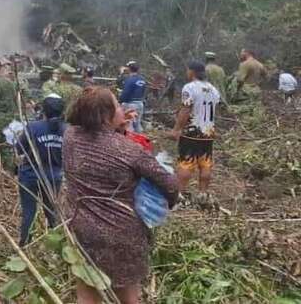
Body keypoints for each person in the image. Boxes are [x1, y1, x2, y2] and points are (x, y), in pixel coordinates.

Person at [63, 87, 179, 304]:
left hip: (81, 229)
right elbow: (170, 184)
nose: (121, 109)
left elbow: (99, 146)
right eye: (117, 105)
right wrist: (167, 204)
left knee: (87, 295)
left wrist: (118, 129)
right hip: (123, 234)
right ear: (106, 115)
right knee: (127, 297)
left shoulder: (70, 137)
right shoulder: (130, 150)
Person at [15, 94, 65, 246]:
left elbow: (19, 148)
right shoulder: (67, 130)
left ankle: (25, 244)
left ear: (43, 110)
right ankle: (58, 244)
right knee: (51, 210)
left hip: (30, 176)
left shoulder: (33, 127)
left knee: (29, 211)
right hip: (53, 177)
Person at [168, 61, 221, 201]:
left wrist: (176, 129)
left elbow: (186, 109)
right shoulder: (213, 89)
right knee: (206, 162)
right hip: (208, 132)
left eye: (188, 70)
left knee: (186, 162)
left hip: (192, 131)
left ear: (192, 72)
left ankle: (179, 194)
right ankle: (203, 194)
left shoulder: (189, 88)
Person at [118, 61, 148, 133]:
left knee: (128, 125)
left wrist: (120, 101)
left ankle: (128, 142)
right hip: (140, 104)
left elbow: (125, 93)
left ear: (129, 69)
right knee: (137, 124)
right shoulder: (142, 79)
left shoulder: (129, 79)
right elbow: (144, 92)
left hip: (130, 104)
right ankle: (139, 140)